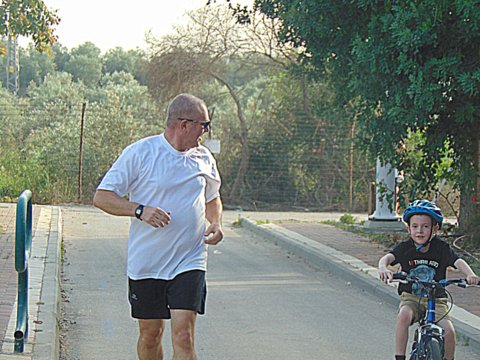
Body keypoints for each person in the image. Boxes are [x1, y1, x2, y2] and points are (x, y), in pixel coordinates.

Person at [93, 93, 223, 360]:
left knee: (184, 335)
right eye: (204, 125)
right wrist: (139, 210)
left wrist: (216, 222)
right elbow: (102, 196)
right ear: (184, 124)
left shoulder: (204, 157)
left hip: (190, 259)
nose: (206, 133)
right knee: (151, 336)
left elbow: (212, 198)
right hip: (148, 262)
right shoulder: (141, 153)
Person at [378, 199, 479, 360]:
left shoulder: (441, 248)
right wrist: (383, 268)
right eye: (415, 226)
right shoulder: (406, 248)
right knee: (403, 316)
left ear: (435, 228)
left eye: (425, 226)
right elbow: (387, 258)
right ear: (408, 228)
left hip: (437, 300)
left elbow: (457, 261)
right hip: (411, 297)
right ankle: (399, 357)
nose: (420, 231)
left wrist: (470, 274)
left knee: (449, 332)